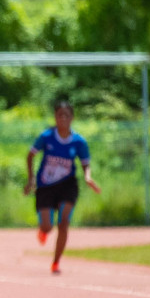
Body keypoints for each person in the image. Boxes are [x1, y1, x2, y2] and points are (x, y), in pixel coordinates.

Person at [23, 98, 101, 275]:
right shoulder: (46, 137)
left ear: (72, 118)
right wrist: (31, 179)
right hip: (46, 186)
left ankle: (56, 262)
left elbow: (85, 164)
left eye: (66, 116)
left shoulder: (79, 142)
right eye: (60, 115)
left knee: (64, 222)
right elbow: (30, 156)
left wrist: (88, 178)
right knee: (47, 226)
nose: (63, 119)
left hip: (67, 184)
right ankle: (43, 230)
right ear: (55, 117)